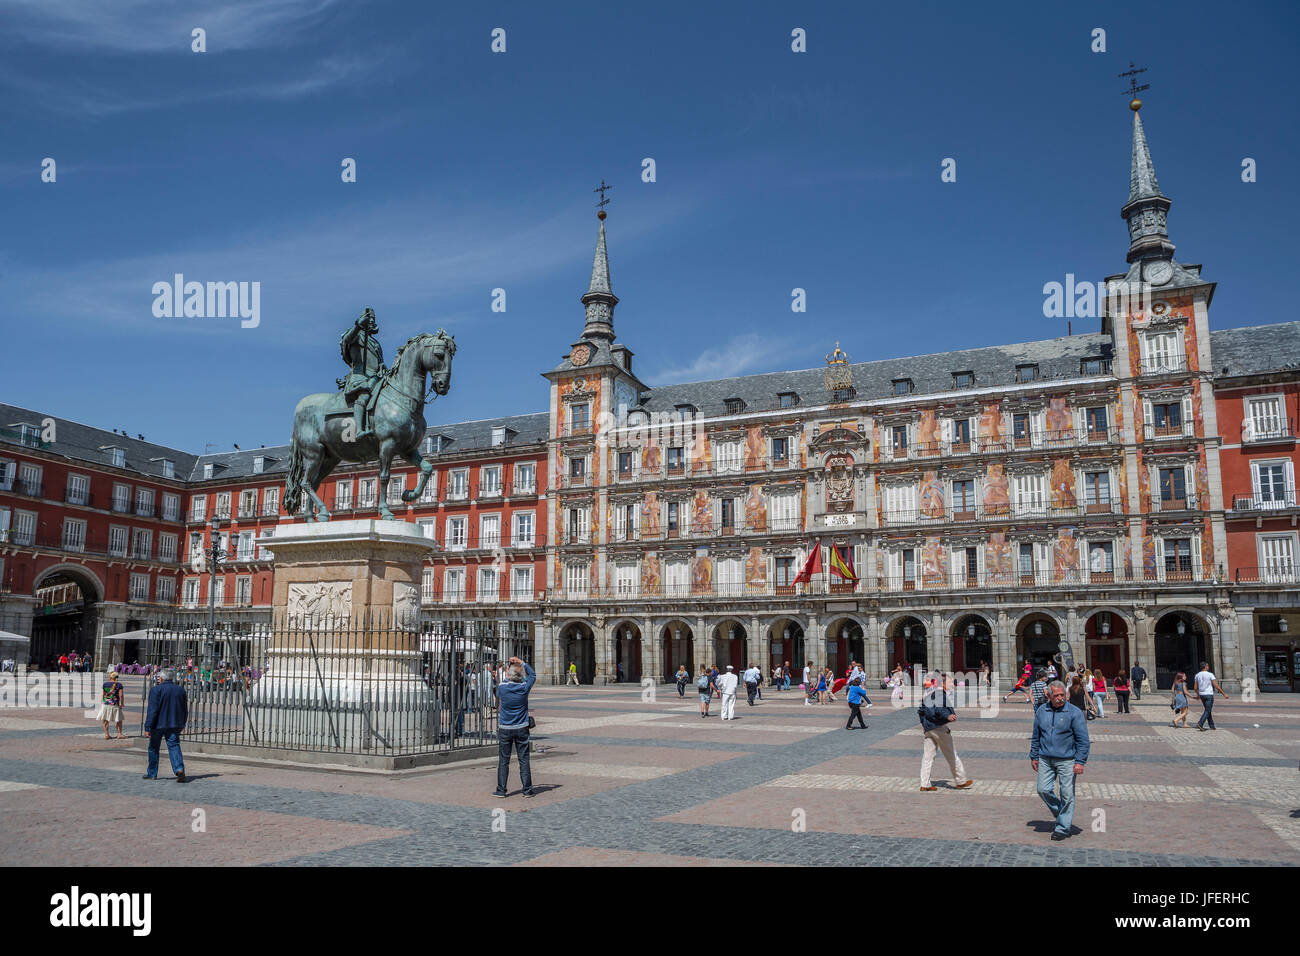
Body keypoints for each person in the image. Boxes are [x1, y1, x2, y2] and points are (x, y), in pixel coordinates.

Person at [1030, 680, 1090, 841]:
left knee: (1067, 794)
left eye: (1062, 695)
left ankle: (1063, 827)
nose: (1060, 698)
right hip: (1045, 758)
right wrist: (1034, 756)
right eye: (1056, 695)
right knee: (1042, 789)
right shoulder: (1041, 711)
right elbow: (1036, 736)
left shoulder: (1074, 713)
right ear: (1048, 695)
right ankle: (1063, 814)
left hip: (1067, 759)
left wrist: (1080, 761)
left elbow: (1083, 740)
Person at [918, 673, 973, 792]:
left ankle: (925, 784)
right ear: (942, 683)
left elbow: (921, 710)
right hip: (938, 728)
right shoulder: (939, 694)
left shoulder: (929, 693)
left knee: (928, 757)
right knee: (951, 753)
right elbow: (939, 709)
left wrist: (924, 725)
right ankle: (960, 781)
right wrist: (947, 715)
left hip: (929, 728)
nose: (952, 684)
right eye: (950, 682)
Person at [492, 656, 536, 797]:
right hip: (522, 728)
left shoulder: (502, 688)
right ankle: (527, 790)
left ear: (507, 674)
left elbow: (505, 681)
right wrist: (521, 662)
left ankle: (501, 790)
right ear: (521, 676)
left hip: (505, 728)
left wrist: (508, 670)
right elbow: (533, 675)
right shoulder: (524, 687)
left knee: (504, 760)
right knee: (524, 760)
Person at [143, 669, 188, 783]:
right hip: (174, 723)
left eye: (159, 678)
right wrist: (183, 723)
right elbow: (184, 709)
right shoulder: (180, 690)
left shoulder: (155, 690)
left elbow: (152, 710)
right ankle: (179, 769)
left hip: (158, 724)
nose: (158, 679)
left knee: (153, 748)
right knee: (174, 746)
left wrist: (148, 727)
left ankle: (152, 773)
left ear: (161, 678)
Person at [1194, 662, 1227, 731]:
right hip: (1209, 694)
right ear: (1205, 667)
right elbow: (1216, 686)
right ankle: (1200, 723)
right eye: (1207, 665)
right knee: (1208, 710)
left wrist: (1198, 695)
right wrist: (1224, 694)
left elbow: (1195, 687)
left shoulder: (1197, 675)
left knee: (1207, 710)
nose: (1208, 666)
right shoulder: (1210, 674)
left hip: (1202, 695)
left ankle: (1211, 725)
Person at [96, 670, 126, 740]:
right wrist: (122, 704)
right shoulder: (119, 685)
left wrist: (102, 702)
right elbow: (121, 695)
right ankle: (119, 734)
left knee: (105, 720)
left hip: (106, 704)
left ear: (110, 677)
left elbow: (102, 695)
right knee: (119, 720)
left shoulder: (105, 684)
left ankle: (106, 734)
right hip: (115, 704)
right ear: (117, 677)